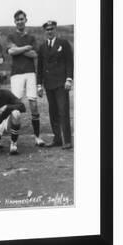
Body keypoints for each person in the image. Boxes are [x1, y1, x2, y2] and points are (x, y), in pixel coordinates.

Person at [6, 10, 46, 147]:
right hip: (16, 74)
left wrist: (19, 50)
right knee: (16, 107)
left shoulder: (32, 38)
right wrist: (25, 48)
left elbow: (34, 54)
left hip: (30, 73)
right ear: (14, 21)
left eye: (22, 19)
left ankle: (37, 137)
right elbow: (11, 51)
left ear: (26, 20)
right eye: (17, 19)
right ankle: (13, 142)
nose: (20, 21)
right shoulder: (10, 36)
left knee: (33, 105)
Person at [37, 20, 74, 149]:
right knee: (53, 112)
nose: (50, 31)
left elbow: (69, 62)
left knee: (63, 111)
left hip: (61, 83)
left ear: (55, 29)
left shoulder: (63, 43)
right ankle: (57, 139)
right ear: (44, 31)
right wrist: (39, 85)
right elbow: (40, 67)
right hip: (49, 84)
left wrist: (69, 79)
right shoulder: (42, 47)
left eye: (52, 29)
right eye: (47, 29)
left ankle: (67, 141)